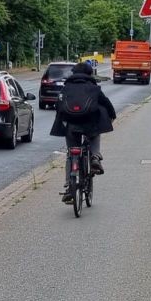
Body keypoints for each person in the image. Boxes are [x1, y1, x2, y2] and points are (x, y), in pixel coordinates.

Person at [50, 61, 116, 203]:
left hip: (71, 126)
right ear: (89, 73)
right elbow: (106, 104)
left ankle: (69, 186)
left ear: (73, 73)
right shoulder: (94, 88)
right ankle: (94, 158)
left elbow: (58, 105)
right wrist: (112, 116)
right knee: (95, 134)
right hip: (89, 125)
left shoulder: (66, 87)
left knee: (71, 154)